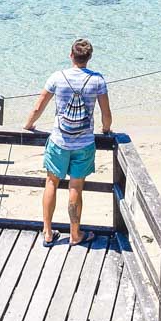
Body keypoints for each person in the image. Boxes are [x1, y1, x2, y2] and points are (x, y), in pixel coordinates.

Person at [23, 38, 113, 247]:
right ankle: (75, 234)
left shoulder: (57, 77)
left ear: (71, 55)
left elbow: (38, 107)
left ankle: (47, 232)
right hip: (84, 144)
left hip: (58, 141)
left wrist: (28, 126)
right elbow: (106, 114)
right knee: (76, 187)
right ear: (89, 58)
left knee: (51, 183)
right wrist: (106, 130)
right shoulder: (98, 80)